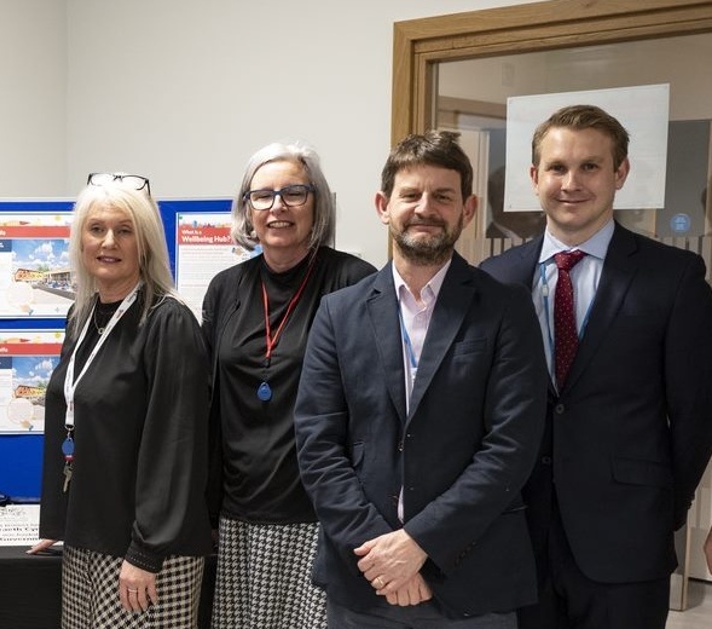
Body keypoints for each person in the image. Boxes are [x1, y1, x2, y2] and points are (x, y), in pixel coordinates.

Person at [294, 130, 547, 627]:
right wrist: (382, 554)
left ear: (467, 209)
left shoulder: (505, 309)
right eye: (411, 194)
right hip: (363, 578)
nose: (425, 208)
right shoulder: (338, 313)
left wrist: (418, 544)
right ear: (383, 205)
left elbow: (511, 447)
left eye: (443, 196)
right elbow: (318, 445)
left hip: (472, 579)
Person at [479, 104, 712, 628]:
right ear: (534, 177)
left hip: (627, 540)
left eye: (590, 166)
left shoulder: (673, 279)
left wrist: (659, 505)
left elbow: (696, 414)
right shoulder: (494, 279)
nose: (572, 182)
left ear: (620, 173)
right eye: (558, 168)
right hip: (516, 538)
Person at [201, 143, 376, 628]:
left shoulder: (353, 281)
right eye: (263, 196)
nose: (278, 207)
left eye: (294, 193)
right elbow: (207, 404)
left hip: (318, 514)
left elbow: (372, 406)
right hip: (237, 516)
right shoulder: (225, 289)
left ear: (316, 203)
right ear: (247, 209)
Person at [29, 173, 214, 628]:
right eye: (96, 229)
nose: (108, 241)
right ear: (80, 241)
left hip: (147, 554)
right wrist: (58, 523)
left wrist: (147, 551)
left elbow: (177, 447)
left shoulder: (168, 322)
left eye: (124, 230)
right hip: (86, 542)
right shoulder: (82, 315)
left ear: (145, 243)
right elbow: (73, 418)